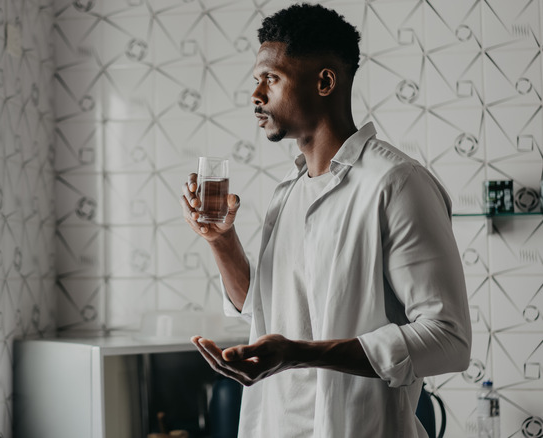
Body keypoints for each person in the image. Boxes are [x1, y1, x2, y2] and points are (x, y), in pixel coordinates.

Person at [180, 4, 472, 437]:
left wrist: (299, 354)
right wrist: (222, 240)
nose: (256, 95)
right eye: (256, 80)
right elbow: (266, 313)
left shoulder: (395, 184)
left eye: (271, 79)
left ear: (324, 81)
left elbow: (449, 340)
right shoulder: (289, 190)